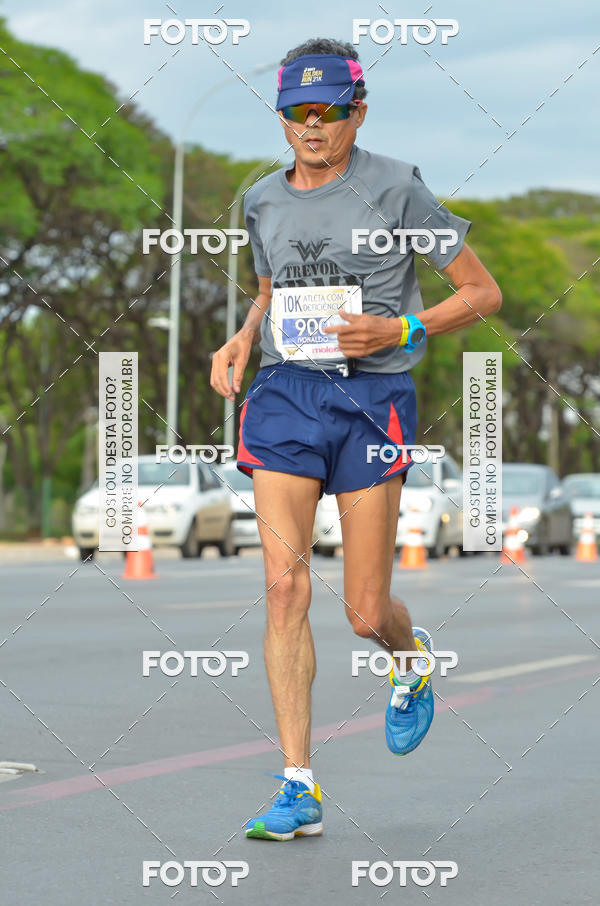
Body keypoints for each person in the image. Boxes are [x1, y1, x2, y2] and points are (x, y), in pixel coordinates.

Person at [210, 37, 501, 842]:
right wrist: (243, 337)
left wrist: (402, 327)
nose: (312, 125)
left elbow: (482, 293)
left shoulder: (397, 187)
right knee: (283, 589)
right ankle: (298, 785)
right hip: (284, 395)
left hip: (373, 400)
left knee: (365, 612)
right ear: (281, 117)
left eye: (328, 111)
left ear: (357, 113)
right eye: (296, 111)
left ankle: (409, 657)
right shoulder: (261, 198)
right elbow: (270, 289)